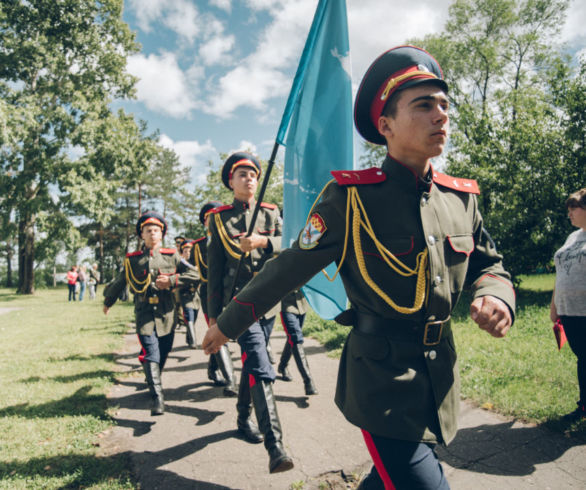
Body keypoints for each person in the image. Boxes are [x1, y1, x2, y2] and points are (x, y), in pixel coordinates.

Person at [203, 46, 515, 489]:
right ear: (385, 125)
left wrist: (495, 294)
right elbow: (288, 267)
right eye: (424, 105)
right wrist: (228, 324)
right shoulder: (350, 198)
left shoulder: (461, 199)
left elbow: (490, 263)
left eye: (444, 104)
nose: (440, 115)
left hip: (438, 376)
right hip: (381, 380)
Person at [207, 152, 293, 473]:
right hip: (238, 305)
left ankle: (243, 418)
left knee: (252, 363)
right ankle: (276, 445)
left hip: (268, 302)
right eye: (241, 174)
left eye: (253, 174)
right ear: (231, 181)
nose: (249, 179)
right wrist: (214, 317)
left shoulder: (270, 214)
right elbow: (214, 273)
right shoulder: (219, 218)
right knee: (259, 358)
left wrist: (262, 242)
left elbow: (293, 244)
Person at [103, 211, 199, 415]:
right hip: (144, 312)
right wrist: (108, 300)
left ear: (162, 234)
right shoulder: (133, 260)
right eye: (148, 231)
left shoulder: (172, 255)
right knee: (150, 351)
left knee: (163, 352)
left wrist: (172, 281)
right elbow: (121, 281)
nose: (153, 234)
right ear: (142, 235)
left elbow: (195, 274)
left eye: (157, 230)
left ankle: (152, 378)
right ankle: (157, 397)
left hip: (167, 313)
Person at [550, 188, 586, 421]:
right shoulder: (573, 237)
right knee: (583, 357)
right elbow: (560, 272)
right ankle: (584, 406)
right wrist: (554, 306)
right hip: (569, 310)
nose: (569, 213)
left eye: (573, 208)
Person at [192, 201, 235, 389]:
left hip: (231, 289)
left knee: (224, 333)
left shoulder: (231, 237)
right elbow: (204, 272)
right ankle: (231, 381)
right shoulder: (199, 246)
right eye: (209, 218)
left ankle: (212, 368)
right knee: (217, 328)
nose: (212, 221)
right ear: (204, 222)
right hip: (210, 292)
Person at [277, 289, 318, 396]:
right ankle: (308, 380)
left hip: (301, 303)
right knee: (295, 338)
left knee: (293, 338)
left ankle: (282, 365)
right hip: (285, 304)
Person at [179, 239, 199, 349]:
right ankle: (193, 341)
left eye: (190, 251)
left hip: (196, 296)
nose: (188, 253)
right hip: (185, 294)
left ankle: (189, 336)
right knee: (189, 316)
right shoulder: (180, 263)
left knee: (194, 317)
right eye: (185, 251)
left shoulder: (198, 263)